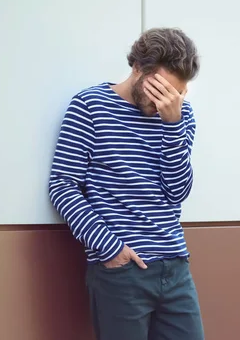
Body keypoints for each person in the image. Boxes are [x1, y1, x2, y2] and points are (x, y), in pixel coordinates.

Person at [48, 28, 204, 340]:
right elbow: (62, 185)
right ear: (137, 69)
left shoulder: (180, 115)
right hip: (122, 271)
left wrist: (172, 126)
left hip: (174, 266)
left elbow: (177, 191)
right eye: (159, 89)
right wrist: (110, 249)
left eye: (176, 93)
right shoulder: (90, 107)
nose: (165, 101)